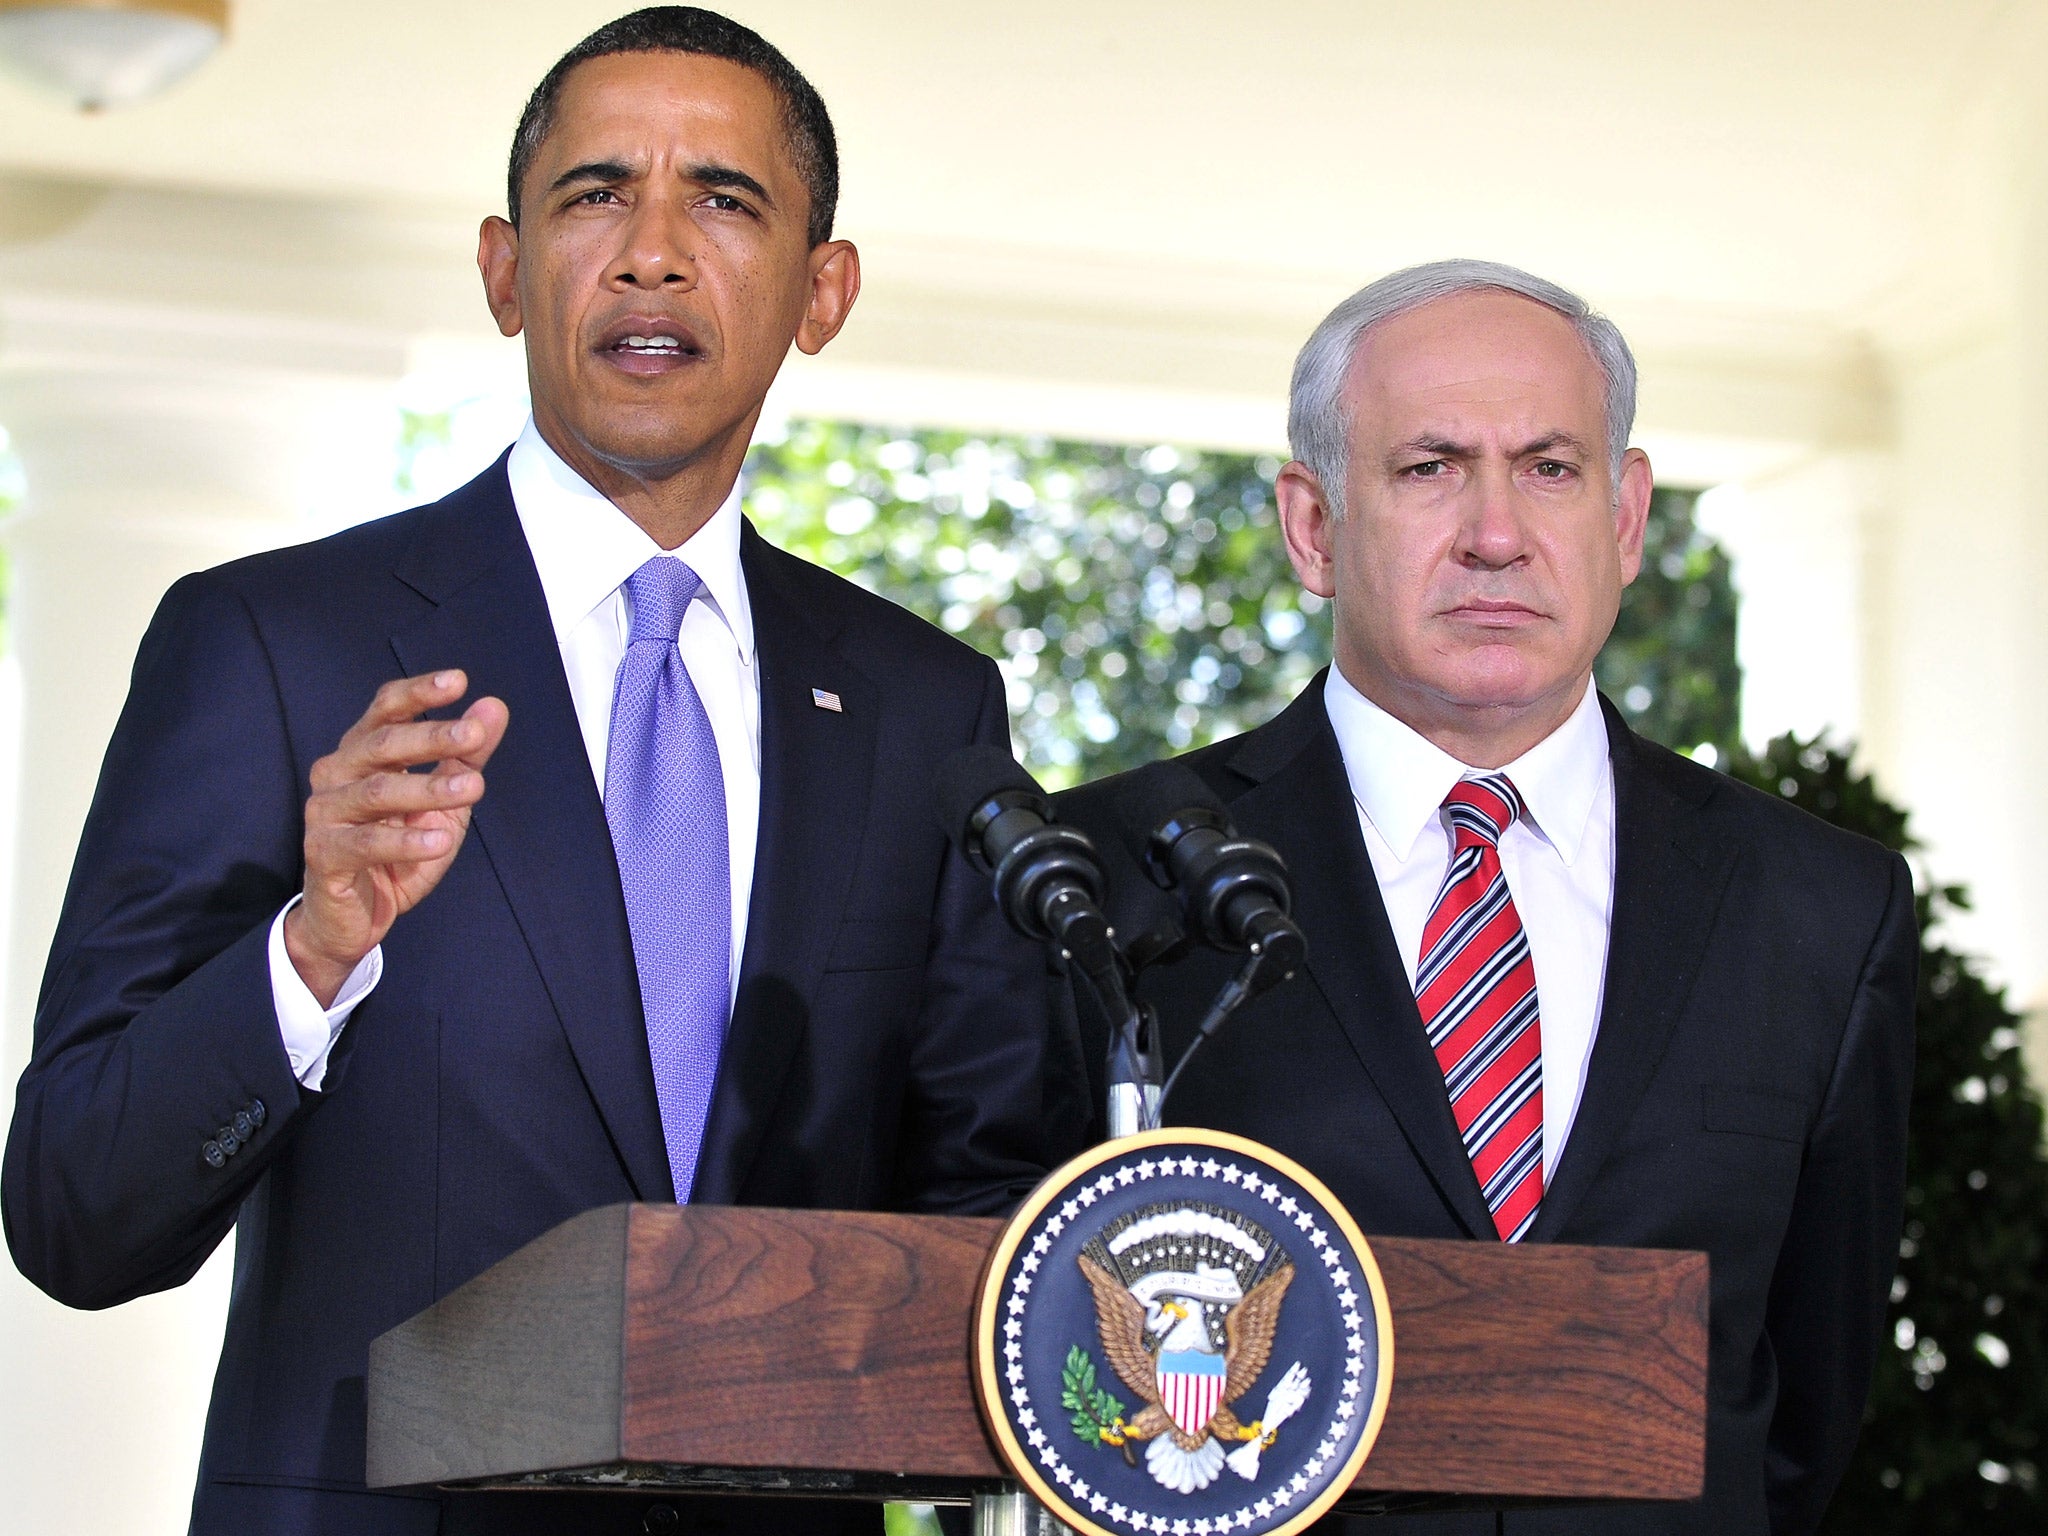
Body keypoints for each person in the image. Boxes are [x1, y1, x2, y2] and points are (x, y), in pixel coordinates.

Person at [3, 10, 1080, 1534]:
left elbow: (986, 1200)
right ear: (507, 274)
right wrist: (309, 956)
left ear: (821, 292)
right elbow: (72, 1210)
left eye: (721, 198)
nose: (650, 251)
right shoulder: (275, 644)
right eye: (592, 197)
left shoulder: (921, 708)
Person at [1055, 260, 1915, 1535]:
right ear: (1312, 527)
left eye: (1550, 468)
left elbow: (1803, 1402)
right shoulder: (1103, 879)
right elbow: (1016, 1356)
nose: (1497, 533)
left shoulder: (1820, 908)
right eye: (1428, 467)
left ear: (1624, 518)